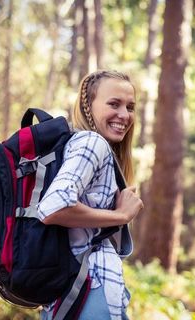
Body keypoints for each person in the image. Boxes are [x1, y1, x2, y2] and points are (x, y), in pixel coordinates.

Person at [37, 70, 144, 320]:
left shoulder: (84, 146)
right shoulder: (91, 143)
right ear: (88, 107)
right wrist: (120, 215)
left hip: (77, 293)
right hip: (88, 294)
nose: (124, 115)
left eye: (130, 107)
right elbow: (52, 207)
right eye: (113, 104)